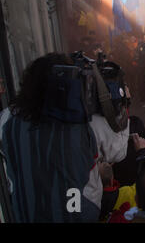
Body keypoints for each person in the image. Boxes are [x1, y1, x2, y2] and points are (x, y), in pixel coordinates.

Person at [0, 53, 100, 222]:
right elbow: (90, 187)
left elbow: (10, 181)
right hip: (73, 213)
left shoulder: (7, 120)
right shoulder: (79, 126)